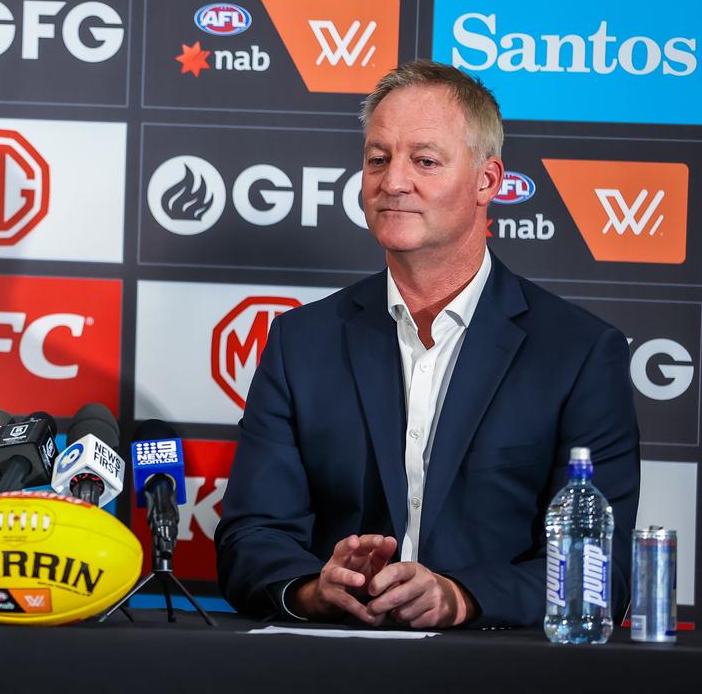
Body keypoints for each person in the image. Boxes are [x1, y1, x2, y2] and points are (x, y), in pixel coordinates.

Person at [214, 61, 640, 628]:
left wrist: (459, 597)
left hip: (497, 669)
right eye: (378, 159)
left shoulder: (580, 353)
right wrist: (315, 588)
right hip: (334, 666)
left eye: (425, 161)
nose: (393, 182)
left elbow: (598, 569)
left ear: (488, 181)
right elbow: (250, 534)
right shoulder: (301, 342)